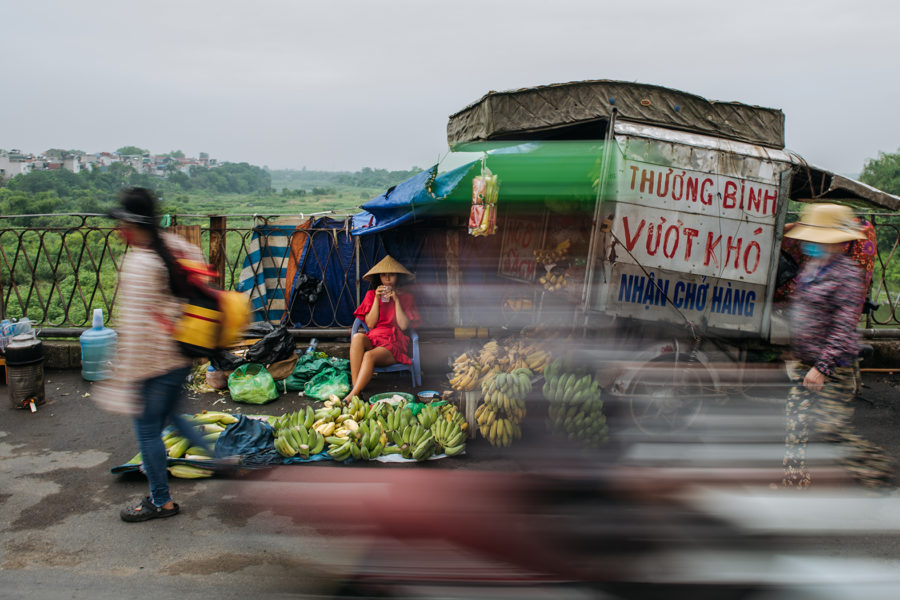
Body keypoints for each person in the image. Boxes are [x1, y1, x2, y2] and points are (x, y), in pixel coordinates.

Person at [96, 187, 214, 522]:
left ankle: (160, 501)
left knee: (148, 431)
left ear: (132, 225)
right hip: (180, 356)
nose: (119, 231)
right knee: (174, 417)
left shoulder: (140, 264)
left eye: (121, 224)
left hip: (154, 363)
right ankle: (223, 458)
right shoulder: (173, 246)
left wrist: (125, 378)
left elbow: (136, 331)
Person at [781, 203, 894, 491]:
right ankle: (794, 482)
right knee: (795, 421)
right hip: (807, 360)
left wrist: (821, 368)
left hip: (834, 366)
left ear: (834, 242)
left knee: (830, 430)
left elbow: (843, 327)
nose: (809, 243)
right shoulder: (811, 267)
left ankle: (880, 474)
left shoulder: (846, 275)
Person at [344, 255, 419, 401]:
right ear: (379, 277)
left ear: (397, 276)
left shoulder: (407, 297)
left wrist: (396, 300)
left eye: (391, 275)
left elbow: (403, 325)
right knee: (357, 337)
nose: (388, 279)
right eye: (384, 275)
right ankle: (356, 390)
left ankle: (351, 397)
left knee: (369, 356)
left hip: (393, 341)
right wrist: (377, 300)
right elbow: (370, 325)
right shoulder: (372, 295)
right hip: (374, 338)